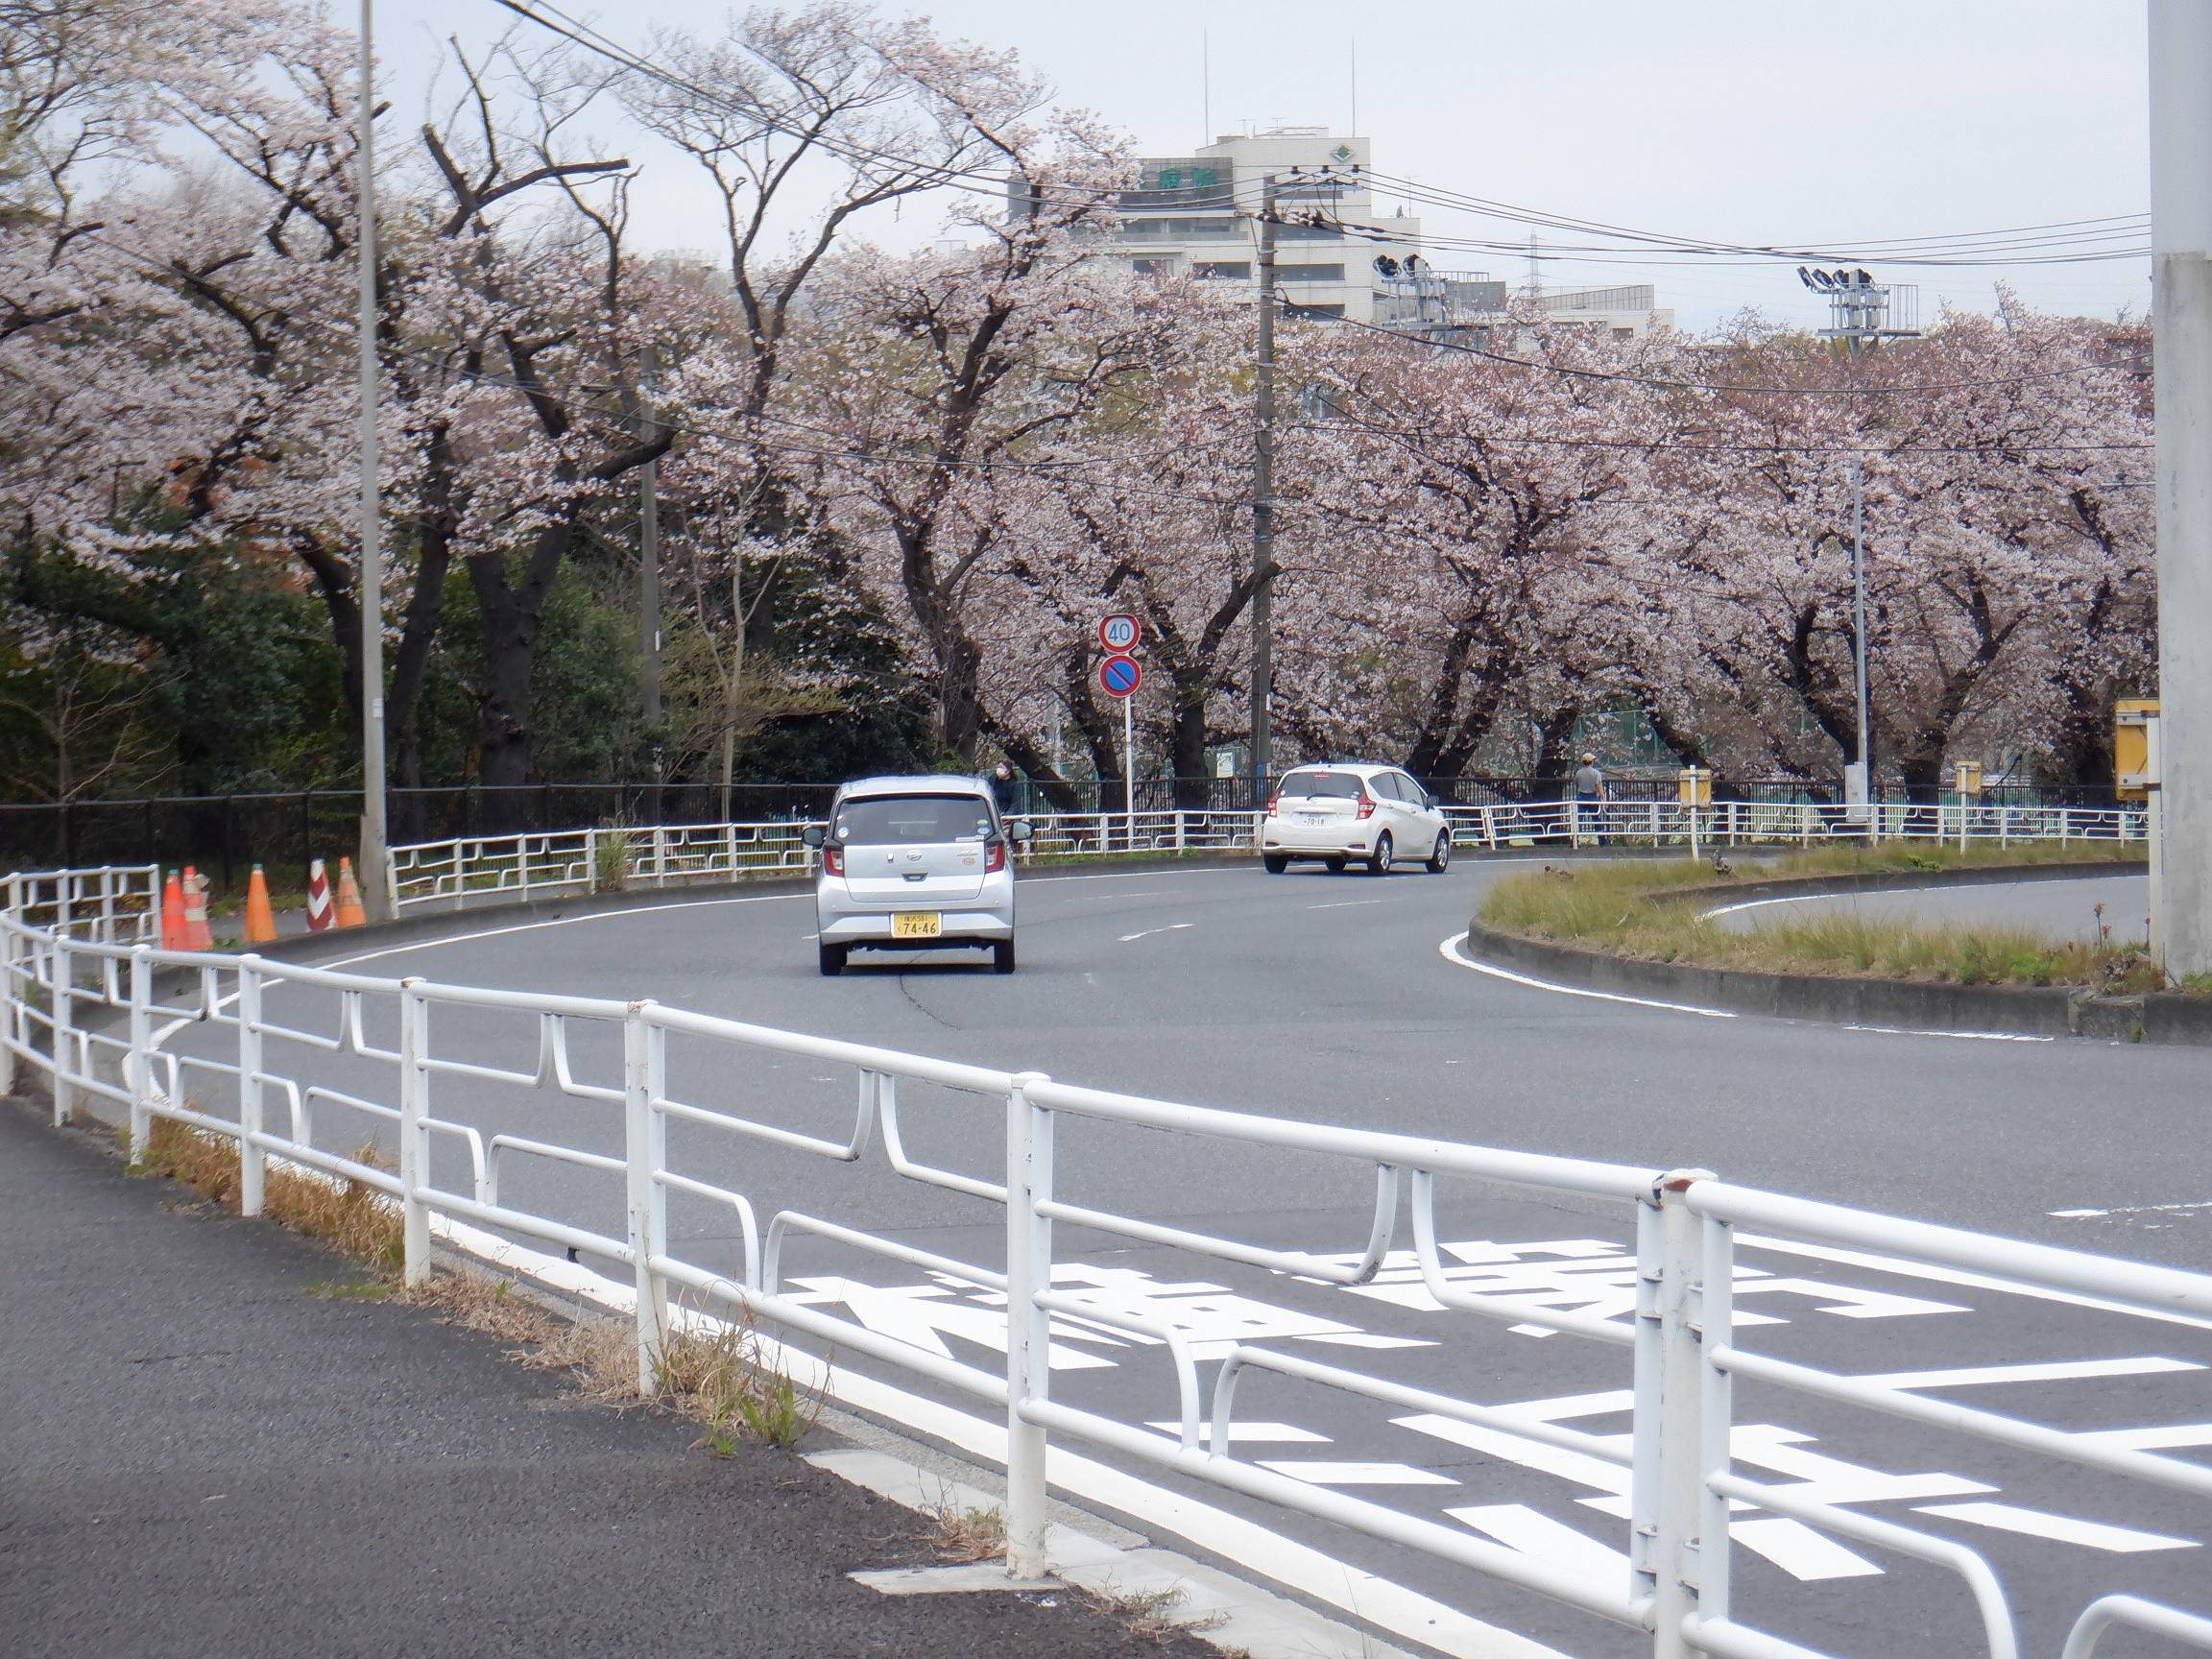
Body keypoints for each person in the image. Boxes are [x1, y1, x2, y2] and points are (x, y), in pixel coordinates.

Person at [1572, 752, 1607, 846]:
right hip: (1592, 798)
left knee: (1578, 819)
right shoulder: (1596, 773)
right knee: (1596, 819)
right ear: (1591, 762)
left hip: (1581, 797)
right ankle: (1602, 840)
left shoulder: (1579, 773)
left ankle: (1575, 840)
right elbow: (1599, 787)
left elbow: (1575, 783)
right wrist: (1603, 799)